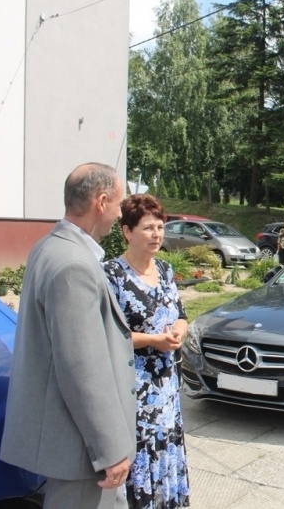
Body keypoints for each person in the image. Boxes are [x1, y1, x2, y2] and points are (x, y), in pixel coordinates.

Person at [1, 163, 136, 508]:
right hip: (82, 454)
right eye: (119, 204)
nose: (120, 213)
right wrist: (109, 449)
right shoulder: (73, 263)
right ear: (101, 202)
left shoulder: (49, 246)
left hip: (72, 444)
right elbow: (82, 368)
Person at [104, 195, 191, 508]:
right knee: (142, 454)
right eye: (148, 228)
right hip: (135, 387)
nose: (157, 234)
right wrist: (153, 341)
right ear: (127, 232)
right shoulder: (111, 275)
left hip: (166, 384)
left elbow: (180, 314)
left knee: (166, 448)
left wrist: (179, 331)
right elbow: (108, 335)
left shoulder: (166, 270)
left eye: (160, 227)